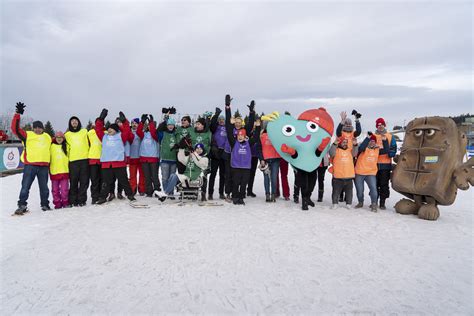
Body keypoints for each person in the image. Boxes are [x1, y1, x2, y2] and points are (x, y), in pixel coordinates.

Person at [11, 102, 51, 214]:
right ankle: (22, 205)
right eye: (36, 127)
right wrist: (17, 114)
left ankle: (45, 204)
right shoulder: (27, 135)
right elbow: (15, 129)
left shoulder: (47, 137)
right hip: (30, 166)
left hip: (43, 167)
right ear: (33, 128)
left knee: (44, 188)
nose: (38, 129)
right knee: (25, 187)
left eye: (40, 127)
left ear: (43, 129)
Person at [94, 109, 135, 204]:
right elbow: (98, 129)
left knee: (124, 181)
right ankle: (103, 197)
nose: (109, 130)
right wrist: (101, 118)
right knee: (106, 182)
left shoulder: (121, 136)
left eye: (111, 128)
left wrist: (124, 121)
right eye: (108, 128)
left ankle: (130, 195)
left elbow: (127, 130)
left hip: (119, 163)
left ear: (116, 130)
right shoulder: (104, 137)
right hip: (107, 164)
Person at [221, 94, 256, 201]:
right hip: (229, 154)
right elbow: (228, 121)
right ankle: (228, 193)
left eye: (239, 123)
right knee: (228, 175)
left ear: (242, 123)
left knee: (238, 176)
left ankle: (239, 193)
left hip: (240, 156)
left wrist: (251, 112)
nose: (237, 124)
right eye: (236, 122)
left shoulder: (244, 131)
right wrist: (227, 107)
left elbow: (250, 125)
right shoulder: (230, 129)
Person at [336, 111, 362, 202]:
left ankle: (347, 195)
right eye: (345, 124)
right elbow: (337, 131)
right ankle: (340, 194)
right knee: (341, 174)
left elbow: (358, 131)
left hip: (351, 157)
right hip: (341, 156)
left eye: (349, 124)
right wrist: (342, 120)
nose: (347, 125)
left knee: (349, 176)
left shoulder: (352, 133)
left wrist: (357, 120)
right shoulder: (341, 133)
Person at [355, 133, 385, 212]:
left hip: (371, 173)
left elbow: (387, 150)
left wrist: (384, 141)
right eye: (371, 141)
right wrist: (367, 138)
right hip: (360, 172)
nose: (372, 142)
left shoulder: (377, 149)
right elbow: (361, 148)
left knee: (373, 189)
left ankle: (374, 204)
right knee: (360, 190)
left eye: (373, 141)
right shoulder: (364, 148)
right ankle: (360, 202)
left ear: (375, 142)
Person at [65, 115, 90, 206]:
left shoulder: (84, 131)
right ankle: (73, 200)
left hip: (84, 160)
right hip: (73, 161)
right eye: (72, 121)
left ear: (79, 122)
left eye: (76, 120)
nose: (74, 122)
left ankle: (82, 200)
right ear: (70, 123)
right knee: (73, 182)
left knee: (84, 181)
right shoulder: (67, 135)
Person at [374, 118, 397, 210]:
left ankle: (382, 202)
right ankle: (374, 201)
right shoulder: (373, 136)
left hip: (385, 165)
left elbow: (393, 149)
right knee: (374, 184)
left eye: (381, 124)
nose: (380, 126)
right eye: (378, 125)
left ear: (384, 125)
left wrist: (389, 153)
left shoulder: (390, 136)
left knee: (383, 184)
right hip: (374, 165)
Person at [329, 138, 358, 209]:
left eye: (346, 142)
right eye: (343, 142)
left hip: (349, 175)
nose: (345, 143)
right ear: (340, 143)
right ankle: (335, 203)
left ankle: (349, 203)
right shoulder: (336, 150)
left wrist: (355, 145)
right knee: (336, 191)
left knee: (349, 192)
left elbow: (355, 153)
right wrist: (335, 143)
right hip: (338, 176)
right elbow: (331, 153)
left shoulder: (350, 151)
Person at [137, 114, 161, 197]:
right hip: (144, 158)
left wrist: (151, 122)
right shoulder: (143, 134)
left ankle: (157, 191)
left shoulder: (155, 135)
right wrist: (142, 122)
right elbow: (138, 132)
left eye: (151, 126)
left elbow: (154, 133)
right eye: (148, 126)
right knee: (147, 177)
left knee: (154, 176)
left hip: (153, 158)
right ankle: (149, 191)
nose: (149, 127)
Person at [189, 116, 212, 201]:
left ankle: (203, 193)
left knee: (203, 176)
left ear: (203, 125)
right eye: (196, 124)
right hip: (194, 157)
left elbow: (210, 144)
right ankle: (194, 192)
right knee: (194, 175)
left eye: (198, 124)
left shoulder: (208, 133)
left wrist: (207, 153)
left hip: (204, 158)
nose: (196, 125)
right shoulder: (192, 132)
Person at [258, 121, 280, 202]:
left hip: (275, 159)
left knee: (274, 178)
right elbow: (259, 149)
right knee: (266, 178)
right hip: (265, 161)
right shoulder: (261, 136)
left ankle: (273, 194)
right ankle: (267, 194)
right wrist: (261, 159)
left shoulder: (277, 135)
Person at [208, 108, 227, 200]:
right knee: (213, 174)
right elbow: (212, 124)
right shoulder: (215, 128)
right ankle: (210, 193)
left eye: (223, 120)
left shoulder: (227, 128)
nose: (221, 121)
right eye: (220, 120)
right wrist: (216, 115)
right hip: (215, 152)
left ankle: (221, 192)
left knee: (222, 175)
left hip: (224, 152)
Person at [157, 116, 178, 197]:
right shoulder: (163, 134)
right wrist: (165, 120)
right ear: (166, 125)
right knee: (165, 178)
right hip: (165, 159)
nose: (170, 126)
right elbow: (158, 130)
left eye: (172, 125)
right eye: (169, 124)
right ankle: (166, 192)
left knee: (172, 178)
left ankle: (170, 192)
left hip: (173, 160)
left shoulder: (175, 134)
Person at [50, 131, 70, 209]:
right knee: (55, 190)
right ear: (55, 138)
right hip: (54, 171)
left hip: (64, 171)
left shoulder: (66, 146)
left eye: (61, 137)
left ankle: (65, 202)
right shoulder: (51, 146)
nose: (59, 139)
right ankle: (57, 203)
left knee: (64, 189)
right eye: (57, 137)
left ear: (63, 138)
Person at [128, 118, 146, 196]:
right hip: (132, 157)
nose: (134, 125)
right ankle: (133, 188)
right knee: (132, 175)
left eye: (136, 123)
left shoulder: (141, 133)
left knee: (142, 175)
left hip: (140, 156)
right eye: (133, 123)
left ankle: (141, 189)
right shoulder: (129, 132)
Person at [87, 124, 102, 204]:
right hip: (93, 158)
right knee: (94, 179)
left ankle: (100, 196)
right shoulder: (90, 133)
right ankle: (95, 197)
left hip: (102, 159)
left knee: (99, 179)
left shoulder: (104, 132)